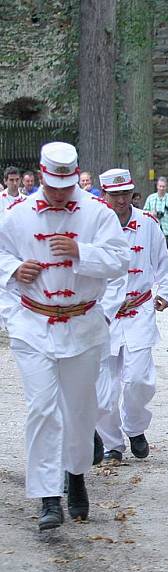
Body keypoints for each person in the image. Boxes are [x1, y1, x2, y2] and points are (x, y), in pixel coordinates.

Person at [0, 142, 129, 530]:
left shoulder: (97, 214)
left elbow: (121, 259)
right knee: (42, 408)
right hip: (34, 326)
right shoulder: (16, 215)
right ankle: (47, 496)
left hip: (83, 326)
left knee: (80, 408)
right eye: (53, 186)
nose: (59, 193)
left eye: (66, 186)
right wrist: (13, 268)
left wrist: (80, 251)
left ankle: (75, 476)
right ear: (41, 176)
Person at [96, 168, 168, 462]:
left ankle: (135, 428)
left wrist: (165, 294)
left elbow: (164, 263)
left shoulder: (148, 224)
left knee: (140, 379)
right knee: (103, 388)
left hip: (139, 310)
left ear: (133, 192)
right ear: (104, 195)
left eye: (125, 193)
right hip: (102, 316)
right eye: (114, 194)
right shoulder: (93, 226)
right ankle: (111, 445)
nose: (120, 200)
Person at [143, 176, 168, 256]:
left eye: (163, 186)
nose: (161, 188)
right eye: (160, 186)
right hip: (153, 229)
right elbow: (144, 213)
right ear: (157, 186)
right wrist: (151, 213)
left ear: (166, 187)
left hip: (167, 230)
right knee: (153, 253)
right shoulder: (151, 198)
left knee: (166, 253)